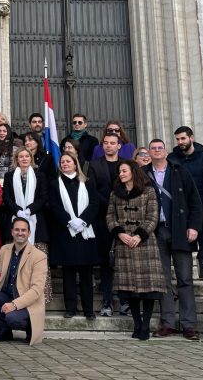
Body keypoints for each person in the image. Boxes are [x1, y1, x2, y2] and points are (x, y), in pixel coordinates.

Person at [143, 139, 202, 341]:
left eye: (160, 148)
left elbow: (195, 200)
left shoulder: (180, 171)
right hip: (156, 232)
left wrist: (193, 226)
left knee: (185, 278)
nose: (157, 151)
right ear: (148, 152)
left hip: (180, 231)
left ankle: (189, 325)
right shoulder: (143, 174)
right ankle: (167, 323)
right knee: (163, 281)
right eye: (153, 148)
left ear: (166, 151)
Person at [106, 160, 165, 340]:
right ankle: (137, 324)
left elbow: (153, 215)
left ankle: (145, 326)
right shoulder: (115, 194)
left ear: (133, 171)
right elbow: (110, 216)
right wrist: (119, 233)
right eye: (119, 172)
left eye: (124, 171)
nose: (121, 174)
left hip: (145, 244)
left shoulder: (148, 191)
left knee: (148, 290)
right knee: (130, 289)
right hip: (124, 244)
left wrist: (139, 235)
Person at [0, 217, 48, 345]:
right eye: (17, 230)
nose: (20, 233)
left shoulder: (39, 256)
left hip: (28, 304)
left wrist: (14, 305)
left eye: (23, 230)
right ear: (12, 232)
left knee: (12, 318)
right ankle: (5, 330)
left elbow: (36, 290)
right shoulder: (5, 250)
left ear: (29, 233)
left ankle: (30, 327)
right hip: (7, 296)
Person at [48, 152, 100, 320]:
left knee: (86, 273)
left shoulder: (87, 182)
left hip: (84, 233)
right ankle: (70, 308)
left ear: (75, 163)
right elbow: (53, 206)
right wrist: (69, 221)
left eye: (68, 161)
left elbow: (94, 204)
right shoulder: (55, 184)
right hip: (65, 232)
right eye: (62, 162)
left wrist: (82, 221)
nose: (65, 164)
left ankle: (88, 310)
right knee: (68, 274)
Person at [169, 125, 203, 294]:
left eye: (183, 138)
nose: (180, 142)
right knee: (181, 251)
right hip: (180, 215)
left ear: (191, 138)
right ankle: (182, 285)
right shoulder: (172, 158)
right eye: (177, 139)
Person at [2, 147, 51, 303]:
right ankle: (15, 296)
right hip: (15, 221)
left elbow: (44, 197)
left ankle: (41, 298)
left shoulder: (40, 175)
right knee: (15, 261)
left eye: (26, 156)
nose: (24, 159)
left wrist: (29, 210)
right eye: (21, 157)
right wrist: (18, 211)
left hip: (36, 221)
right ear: (17, 159)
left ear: (31, 159)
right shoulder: (9, 176)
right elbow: (6, 197)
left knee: (38, 259)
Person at [87, 132, 121, 316]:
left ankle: (124, 301)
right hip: (101, 218)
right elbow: (92, 189)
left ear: (119, 145)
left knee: (123, 262)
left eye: (112, 143)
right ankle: (107, 301)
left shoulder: (126, 164)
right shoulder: (94, 165)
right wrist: (109, 204)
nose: (109, 146)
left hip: (124, 219)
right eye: (106, 143)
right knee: (106, 263)